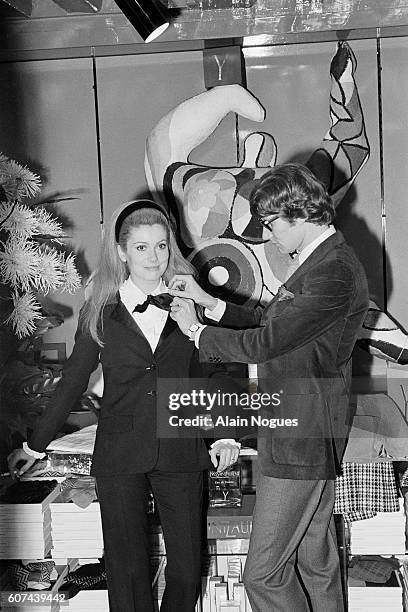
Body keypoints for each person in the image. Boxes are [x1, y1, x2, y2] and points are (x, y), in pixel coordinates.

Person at [8, 199, 240, 612]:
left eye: (161, 246)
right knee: (127, 569)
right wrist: (34, 445)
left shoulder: (193, 304)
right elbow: (72, 382)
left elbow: (219, 371)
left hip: (181, 449)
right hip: (120, 452)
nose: (153, 257)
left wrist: (224, 432)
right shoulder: (100, 311)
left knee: (187, 569)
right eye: (141, 247)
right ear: (121, 251)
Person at [168, 163, 369, 612]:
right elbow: (272, 322)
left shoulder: (332, 270)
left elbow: (266, 342)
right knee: (315, 561)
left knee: (262, 576)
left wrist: (196, 332)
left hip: (300, 438)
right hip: (307, 431)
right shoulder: (320, 261)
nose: (268, 234)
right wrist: (210, 303)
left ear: (300, 214)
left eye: (273, 223)